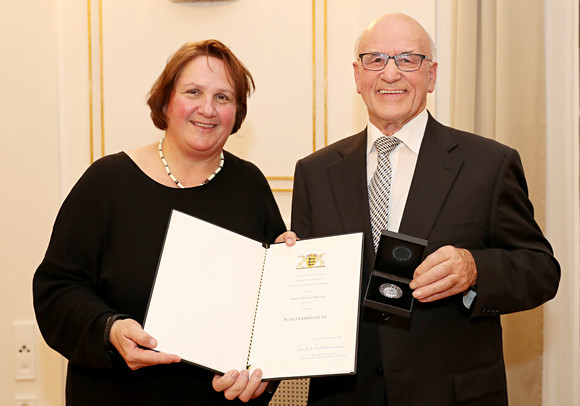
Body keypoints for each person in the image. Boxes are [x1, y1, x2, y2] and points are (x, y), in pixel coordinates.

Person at [290, 13, 560, 406]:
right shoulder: (314, 172)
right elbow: (311, 284)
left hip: (449, 394)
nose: (390, 73)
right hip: (346, 395)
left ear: (431, 76)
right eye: (376, 59)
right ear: (357, 75)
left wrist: (475, 268)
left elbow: (540, 270)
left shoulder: (488, 164)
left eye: (408, 59)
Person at [33, 39, 293, 405]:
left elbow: (268, 315)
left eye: (223, 97)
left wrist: (260, 375)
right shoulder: (106, 183)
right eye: (193, 91)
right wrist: (110, 328)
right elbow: (57, 288)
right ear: (166, 101)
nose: (208, 109)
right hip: (116, 395)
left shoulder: (250, 185)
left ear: (237, 112)